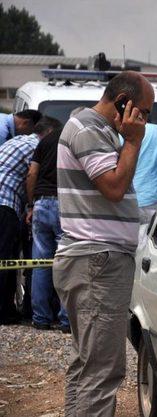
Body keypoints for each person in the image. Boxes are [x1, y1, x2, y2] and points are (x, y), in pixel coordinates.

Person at [53, 71, 153, 416]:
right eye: (144, 111)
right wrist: (134, 142)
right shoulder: (89, 129)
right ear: (124, 103)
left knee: (87, 366)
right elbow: (113, 188)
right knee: (102, 371)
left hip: (95, 259)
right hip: (98, 261)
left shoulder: (95, 129)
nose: (144, 119)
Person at [0, 116, 61, 325]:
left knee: (12, 260)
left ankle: (29, 314)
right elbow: (32, 175)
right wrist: (30, 205)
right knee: (7, 258)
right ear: (50, 133)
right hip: (5, 204)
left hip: (9, 201)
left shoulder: (16, 140)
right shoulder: (38, 145)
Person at [25, 127, 70, 332]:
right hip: (66, 205)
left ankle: (41, 318)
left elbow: (32, 172)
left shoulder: (46, 140)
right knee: (67, 263)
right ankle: (66, 320)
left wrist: (31, 204)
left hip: (41, 204)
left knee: (41, 263)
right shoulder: (76, 138)